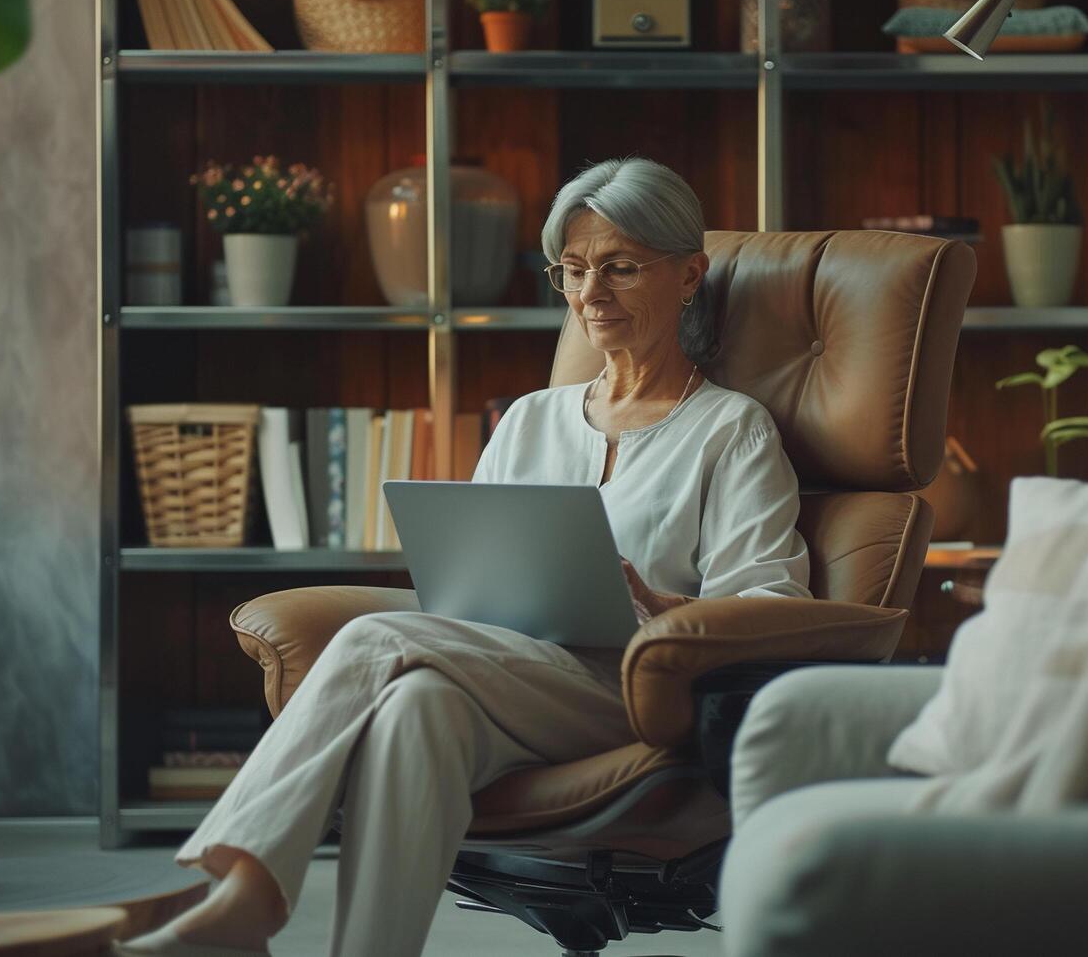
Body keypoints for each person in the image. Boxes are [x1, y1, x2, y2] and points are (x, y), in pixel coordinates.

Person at [115, 157, 811, 957]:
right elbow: (467, 581)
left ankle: (242, 897)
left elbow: (776, 612)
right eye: (573, 270)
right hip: (508, 674)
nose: (590, 294)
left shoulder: (732, 429)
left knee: (377, 638)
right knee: (417, 711)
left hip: (636, 692)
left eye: (620, 267)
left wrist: (656, 603)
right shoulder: (528, 420)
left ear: (689, 275)